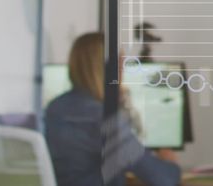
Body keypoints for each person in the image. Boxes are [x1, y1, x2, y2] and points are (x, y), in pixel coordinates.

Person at [44, 32, 181, 186]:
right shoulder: (104, 118)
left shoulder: (53, 108)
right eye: (121, 66)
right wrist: (170, 160)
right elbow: (163, 179)